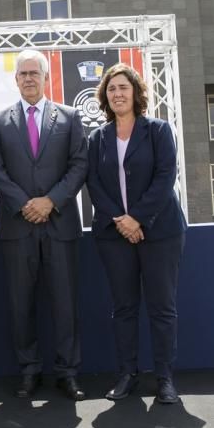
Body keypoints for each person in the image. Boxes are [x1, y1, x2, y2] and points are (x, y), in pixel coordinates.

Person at [0, 49, 88, 400]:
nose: (28, 79)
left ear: (46, 78)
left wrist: (51, 202)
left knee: (66, 302)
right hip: (18, 226)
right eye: (22, 74)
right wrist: (23, 204)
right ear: (15, 79)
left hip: (60, 224)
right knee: (20, 303)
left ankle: (68, 372)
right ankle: (28, 370)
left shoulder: (70, 117)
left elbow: (78, 165)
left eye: (35, 73)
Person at [87, 63, 187, 404]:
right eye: (112, 89)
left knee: (162, 307)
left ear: (135, 93)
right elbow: (94, 185)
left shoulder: (158, 130)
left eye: (123, 88)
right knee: (124, 308)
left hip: (160, 232)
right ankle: (127, 374)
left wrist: (138, 219)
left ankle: (164, 378)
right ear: (105, 96)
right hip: (115, 235)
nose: (117, 93)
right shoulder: (97, 138)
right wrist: (121, 219)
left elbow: (165, 176)